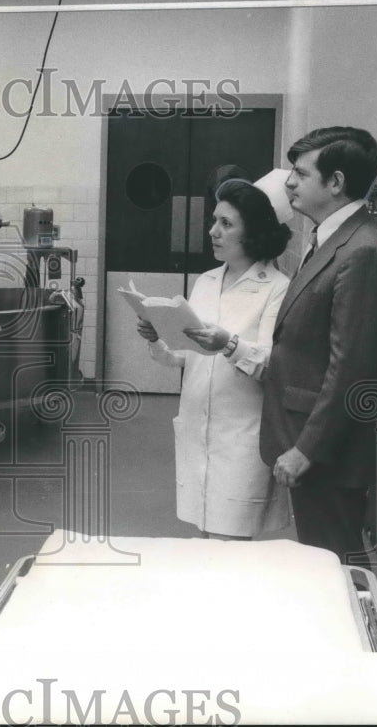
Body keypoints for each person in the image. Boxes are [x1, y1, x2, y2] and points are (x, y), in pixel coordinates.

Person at [260, 126, 377, 566]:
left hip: (329, 455)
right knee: (324, 563)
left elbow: (352, 369)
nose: (290, 183)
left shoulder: (363, 252)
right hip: (313, 442)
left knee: (338, 567)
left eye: (301, 174)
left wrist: (307, 451)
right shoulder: (332, 238)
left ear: (335, 182)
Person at [137, 173, 294, 539]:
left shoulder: (277, 288)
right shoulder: (205, 281)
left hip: (241, 436)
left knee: (229, 547)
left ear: (252, 232)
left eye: (226, 223)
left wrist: (228, 343)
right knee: (205, 541)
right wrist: (157, 339)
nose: (213, 231)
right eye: (214, 221)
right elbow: (183, 357)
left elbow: (273, 365)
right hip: (196, 428)